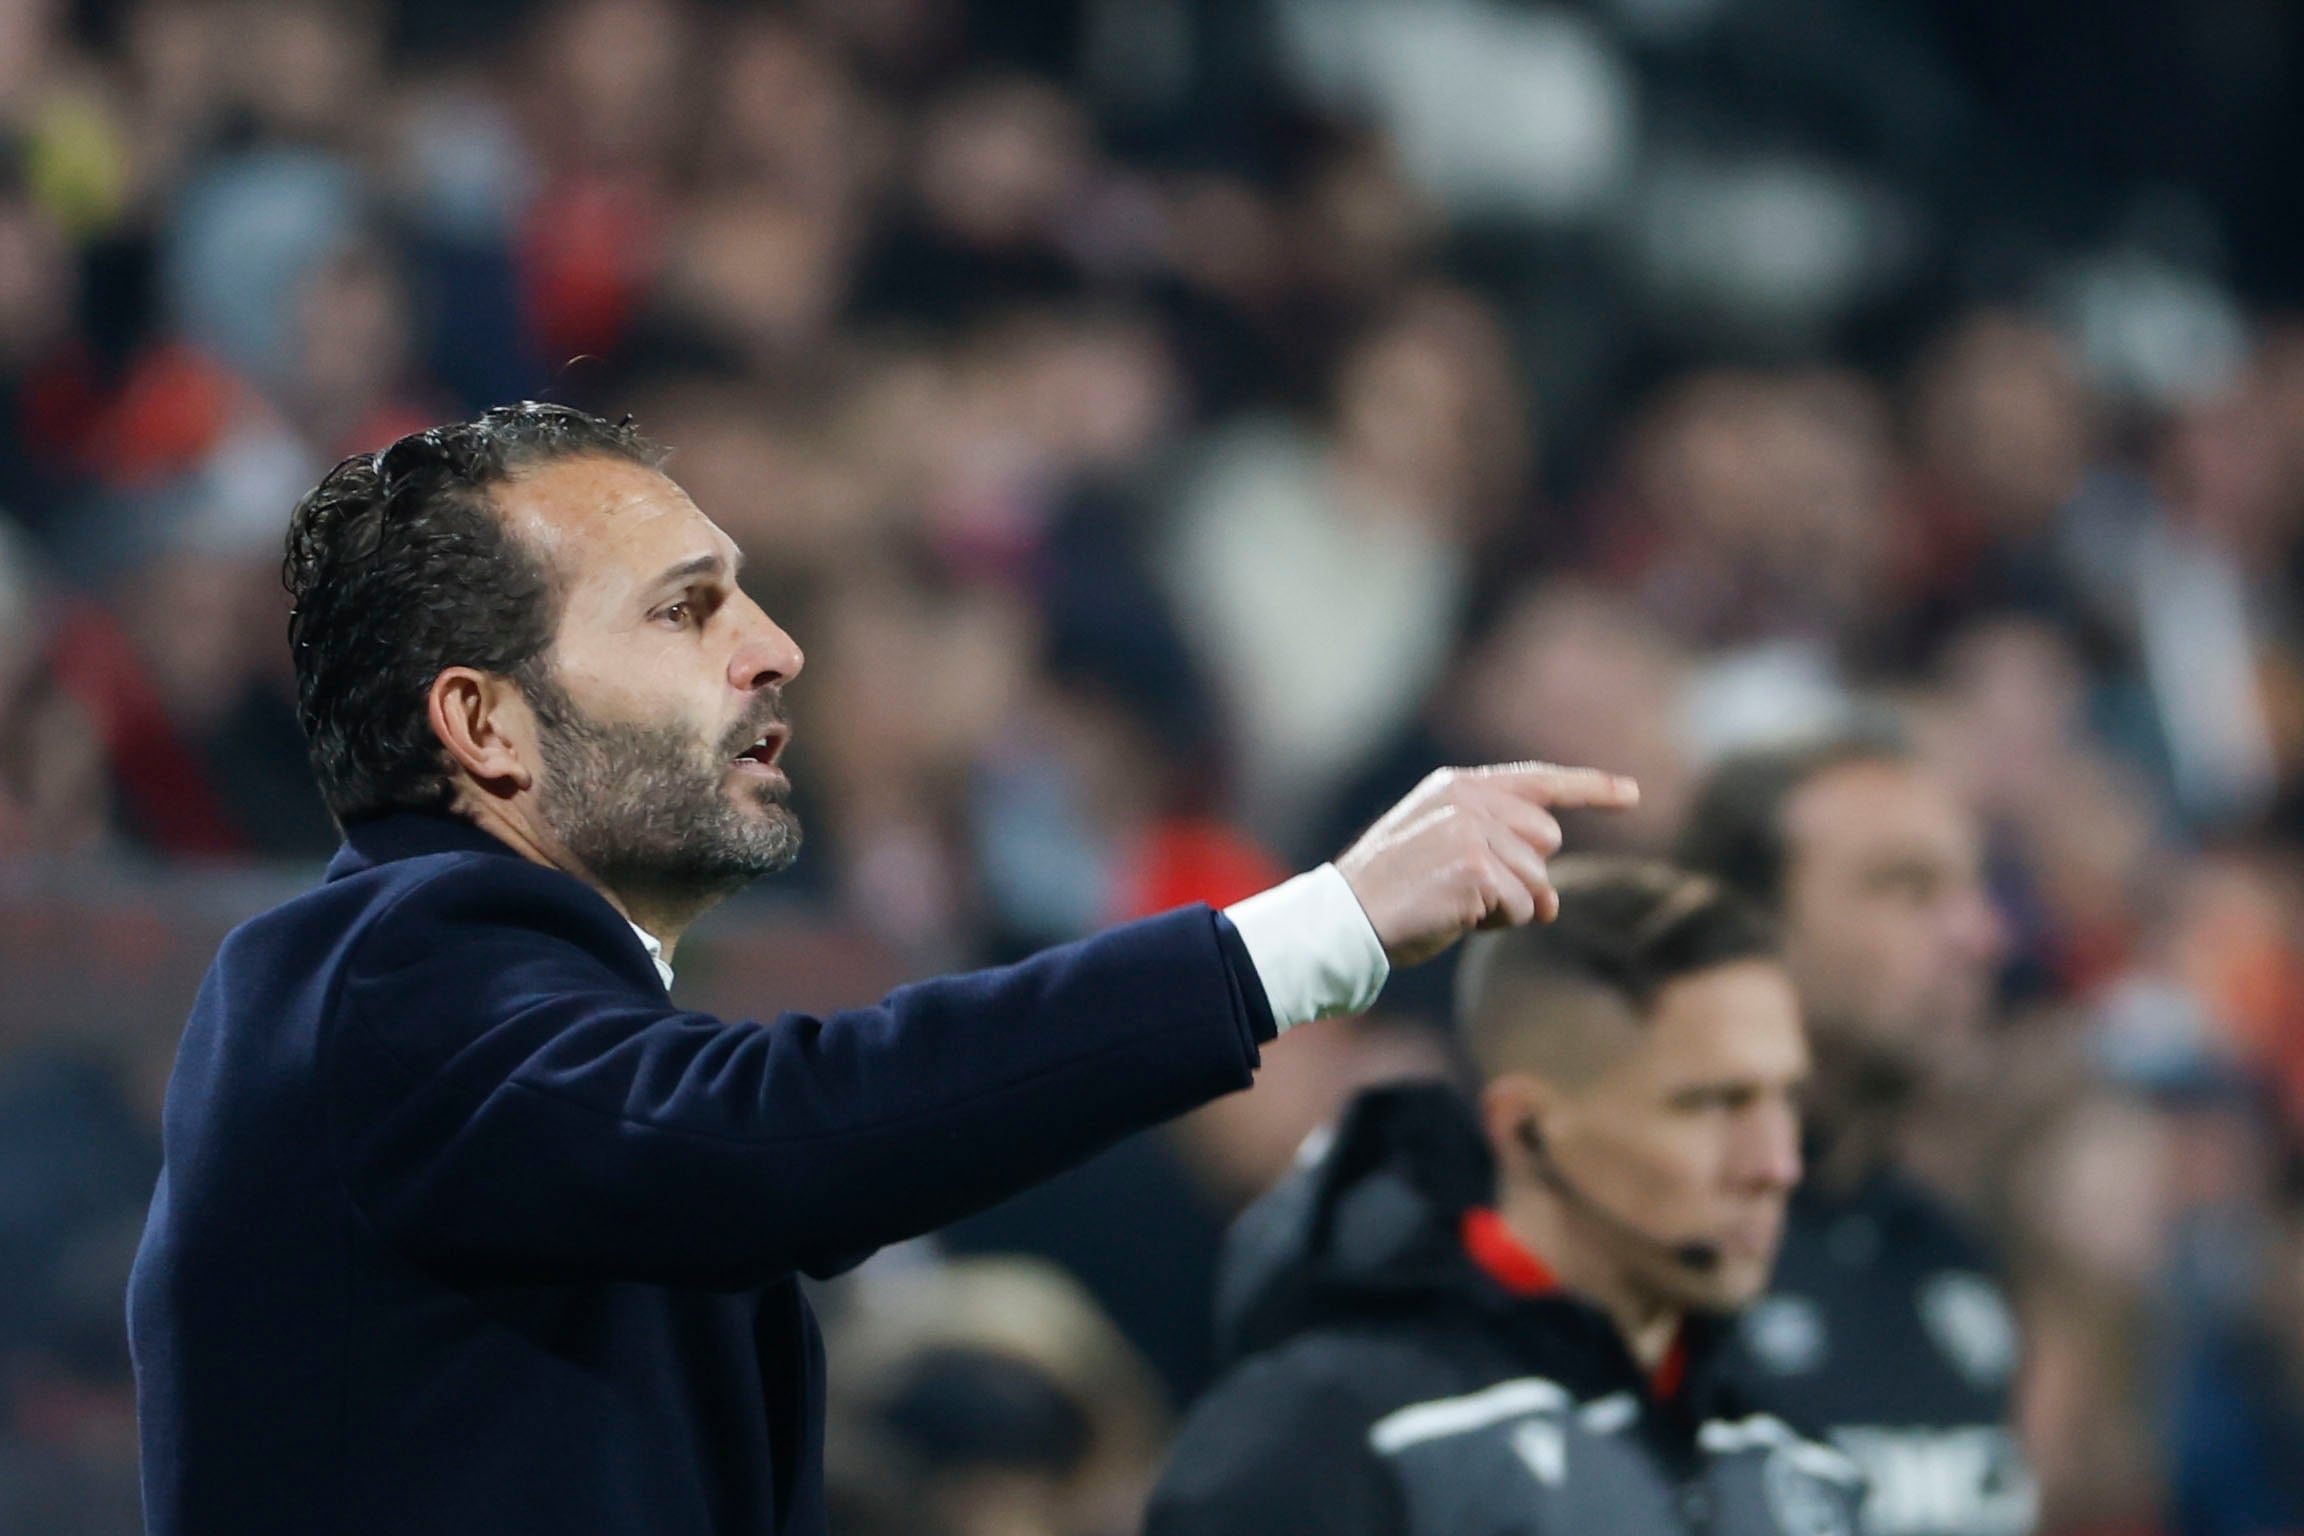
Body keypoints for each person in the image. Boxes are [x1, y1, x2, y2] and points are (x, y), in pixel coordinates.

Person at [121, 403, 1640, 1536]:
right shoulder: (373, 971)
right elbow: (765, 1135)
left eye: (748, 595)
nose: (777, 647)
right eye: (685, 608)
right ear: (486, 727)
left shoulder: (518, 1037)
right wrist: (1318, 931)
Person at [1145, 857, 1859, 1536]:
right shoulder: (1327, 1443)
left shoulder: (1794, 1455)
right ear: (1526, 1132)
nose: (1777, 1164)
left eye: (1786, 1099)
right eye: (1710, 1104)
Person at [1675, 735, 2037, 1536]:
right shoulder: (1628, 1258)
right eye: (1906, 888)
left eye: (1975, 890)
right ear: (1745, 933)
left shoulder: (1950, 1256)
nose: (1980, 938)